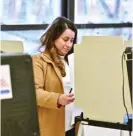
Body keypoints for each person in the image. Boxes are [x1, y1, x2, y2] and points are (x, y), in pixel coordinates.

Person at [32, 16, 77, 136]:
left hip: (72, 126)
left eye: (72, 41)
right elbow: (35, 93)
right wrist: (58, 99)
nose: (68, 44)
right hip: (52, 127)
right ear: (53, 38)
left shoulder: (71, 61)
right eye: (65, 39)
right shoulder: (38, 60)